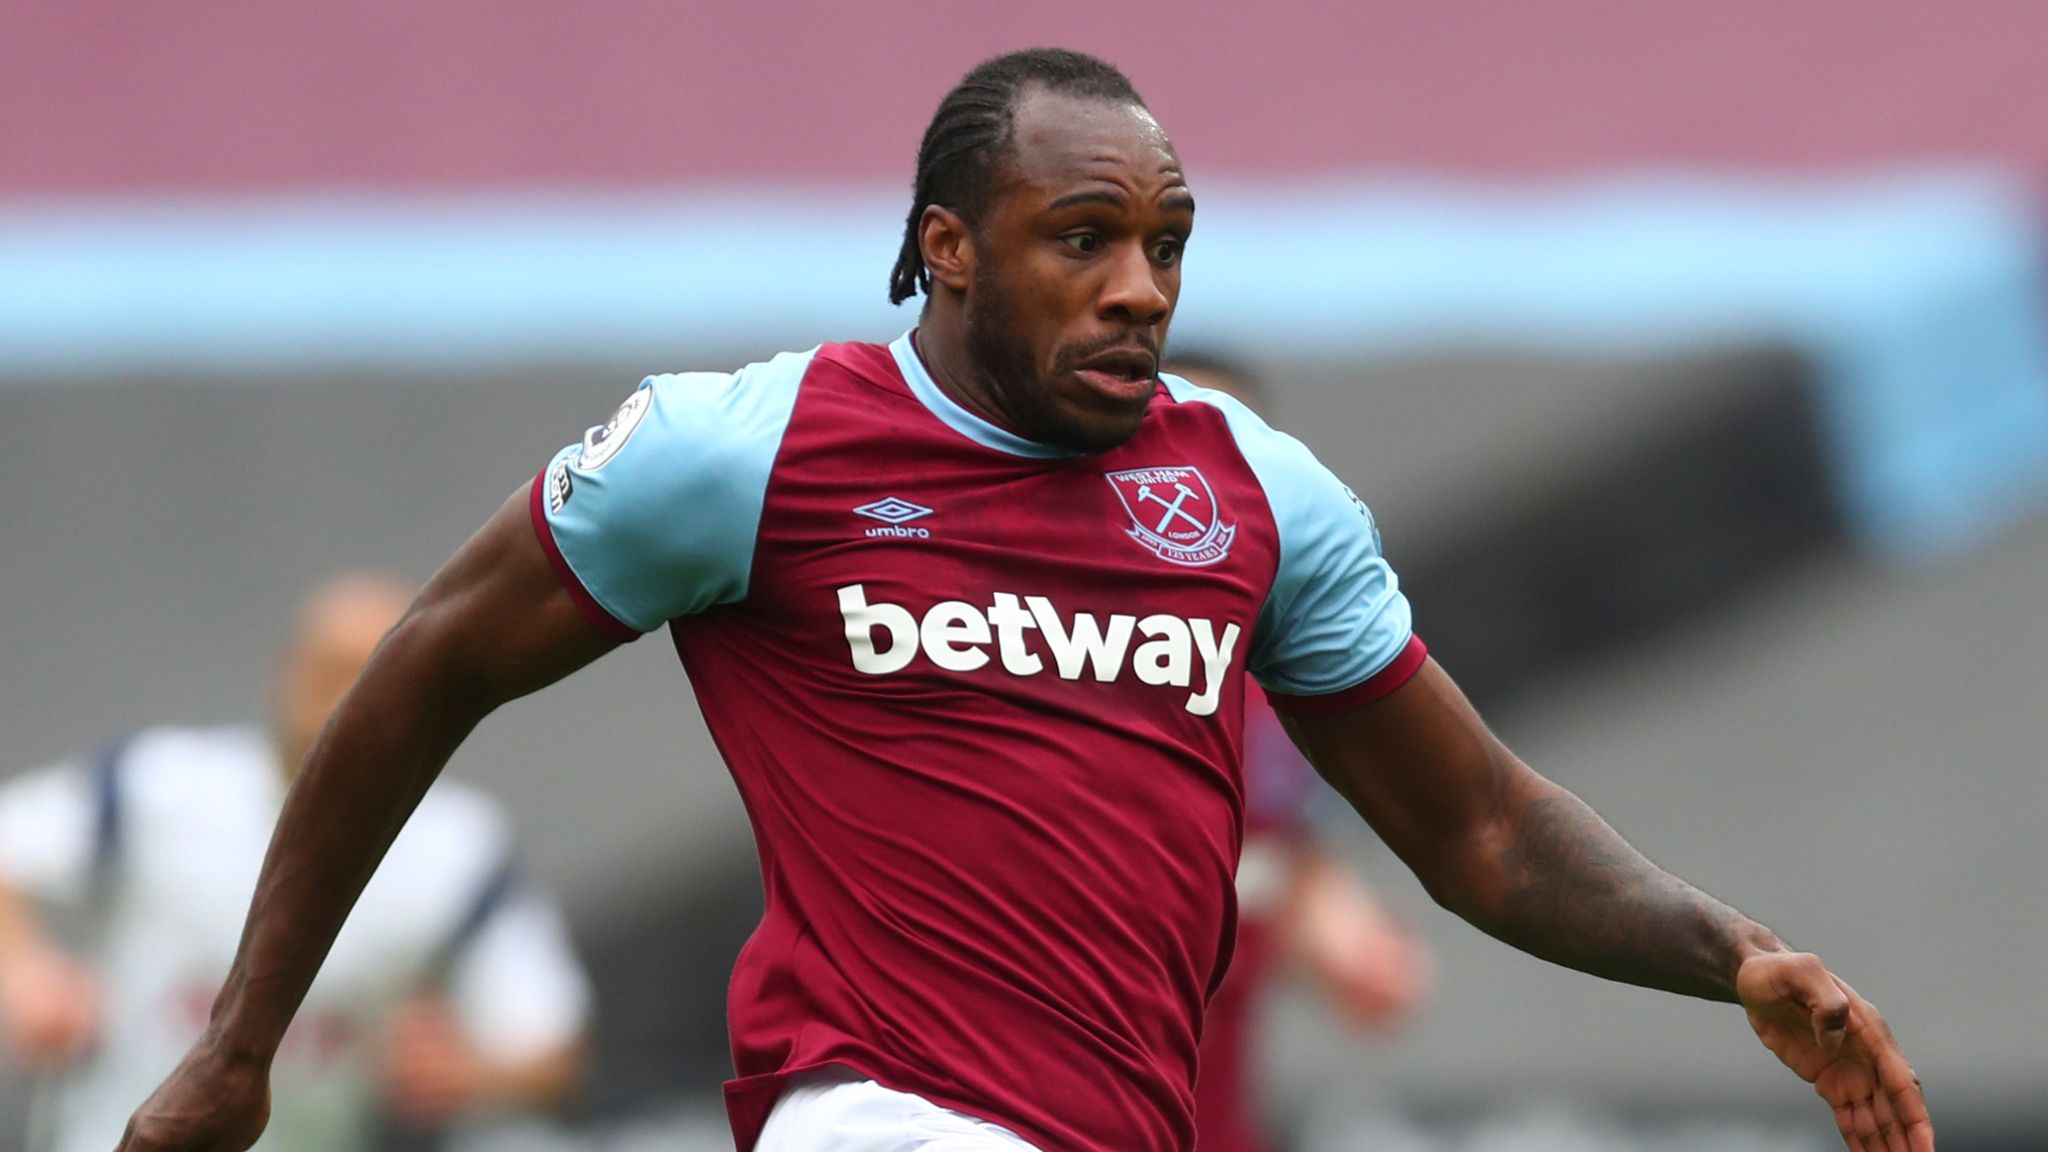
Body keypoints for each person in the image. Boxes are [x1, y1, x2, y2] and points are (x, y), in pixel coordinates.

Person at [116, 48, 1932, 1152]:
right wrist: (240, 1044)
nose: (1139, 287)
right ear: (944, 248)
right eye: (1085, 239)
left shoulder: (1248, 491)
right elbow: (427, 665)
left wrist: (1729, 953)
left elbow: (1477, 823)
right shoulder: (744, 453)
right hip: (871, 1114)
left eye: (1166, 244)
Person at [0, 574, 590, 1152]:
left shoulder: (459, 855)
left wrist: (477, 1073)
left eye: (379, 678)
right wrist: (25, 970)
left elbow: (550, 1047)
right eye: (329, 673)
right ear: (284, 671)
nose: (346, 706)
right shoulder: (159, 785)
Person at [1166, 352, 1431, 1152]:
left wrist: (1350, 940)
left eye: (1236, 450)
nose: (1193, 481)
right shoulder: (1020, 654)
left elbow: (1292, 866)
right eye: (1167, 441)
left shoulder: (1279, 692)